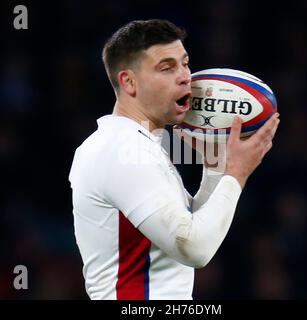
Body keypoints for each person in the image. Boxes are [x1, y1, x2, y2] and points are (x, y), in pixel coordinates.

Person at [68, 19, 280, 300]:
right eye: (167, 68)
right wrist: (237, 173)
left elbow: (191, 228)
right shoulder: (121, 150)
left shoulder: (135, 143)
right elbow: (194, 248)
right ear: (128, 82)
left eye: (185, 63)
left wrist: (216, 169)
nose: (184, 77)